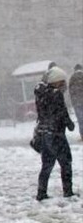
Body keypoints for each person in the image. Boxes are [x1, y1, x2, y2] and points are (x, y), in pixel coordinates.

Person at [34, 66, 75, 200]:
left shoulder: (41, 93)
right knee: (66, 162)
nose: (64, 85)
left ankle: (41, 192)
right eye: (62, 81)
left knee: (47, 164)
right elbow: (62, 112)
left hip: (44, 133)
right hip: (56, 134)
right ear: (56, 81)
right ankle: (68, 191)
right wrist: (70, 124)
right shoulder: (56, 94)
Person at [68, 64, 83, 141]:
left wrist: (73, 101)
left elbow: (70, 91)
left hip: (77, 102)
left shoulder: (72, 78)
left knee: (80, 120)